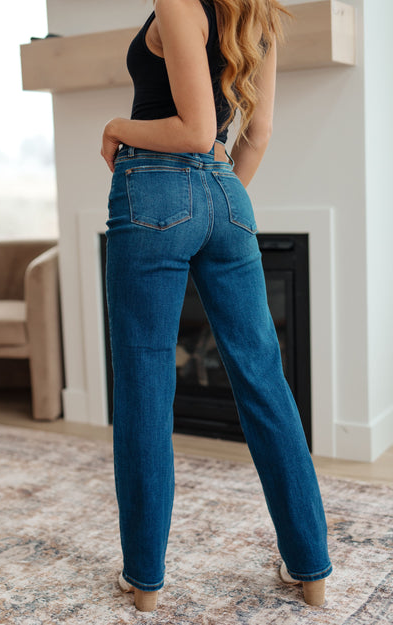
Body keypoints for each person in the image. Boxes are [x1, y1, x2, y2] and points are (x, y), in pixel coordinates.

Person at [101, 0, 332, 613]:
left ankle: (145, 580)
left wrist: (117, 126)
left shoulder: (178, 2)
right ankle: (310, 568)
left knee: (145, 382)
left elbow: (193, 130)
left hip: (152, 190)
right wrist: (214, 203)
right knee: (264, 379)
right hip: (227, 194)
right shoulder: (260, 16)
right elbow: (258, 133)